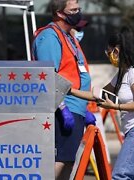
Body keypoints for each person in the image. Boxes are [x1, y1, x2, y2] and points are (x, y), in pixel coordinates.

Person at [70, 27, 134, 179]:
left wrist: (115, 106)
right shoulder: (121, 75)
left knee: (120, 175)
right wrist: (70, 91)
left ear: (117, 51)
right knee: (130, 176)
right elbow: (97, 95)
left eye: (108, 51)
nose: (107, 55)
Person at [32, 0, 91, 179]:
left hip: (76, 108)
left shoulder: (68, 36)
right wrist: (63, 108)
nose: (78, 13)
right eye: (73, 10)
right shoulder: (50, 37)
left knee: (68, 160)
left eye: (78, 9)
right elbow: (48, 75)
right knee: (58, 161)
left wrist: (84, 107)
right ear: (59, 13)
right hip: (63, 110)